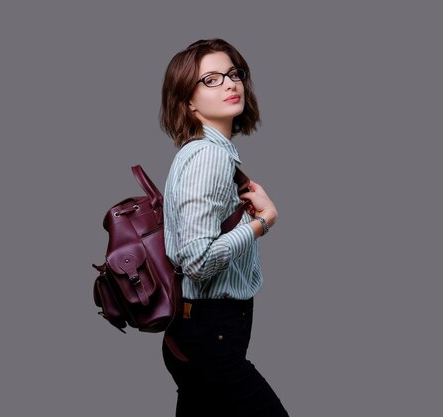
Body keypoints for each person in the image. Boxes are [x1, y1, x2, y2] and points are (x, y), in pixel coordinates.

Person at [159, 38, 289, 417]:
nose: (231, 84)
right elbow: (197, 261)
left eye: (234, 74)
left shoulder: (199, 152)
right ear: (188, 101)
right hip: (211, 333)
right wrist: (262, 223)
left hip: (198, 330)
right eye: (211, 80)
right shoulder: (210, 158)